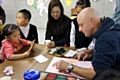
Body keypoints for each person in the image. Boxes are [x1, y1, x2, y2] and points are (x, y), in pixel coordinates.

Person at [53, 7, 120, 79]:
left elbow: (98, 75)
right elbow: (113, 51)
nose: (79, 29)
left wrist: (68, 66)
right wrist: (92, 52)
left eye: (81, 25)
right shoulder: (110, 28)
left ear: (92, 21)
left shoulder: (105, 40)